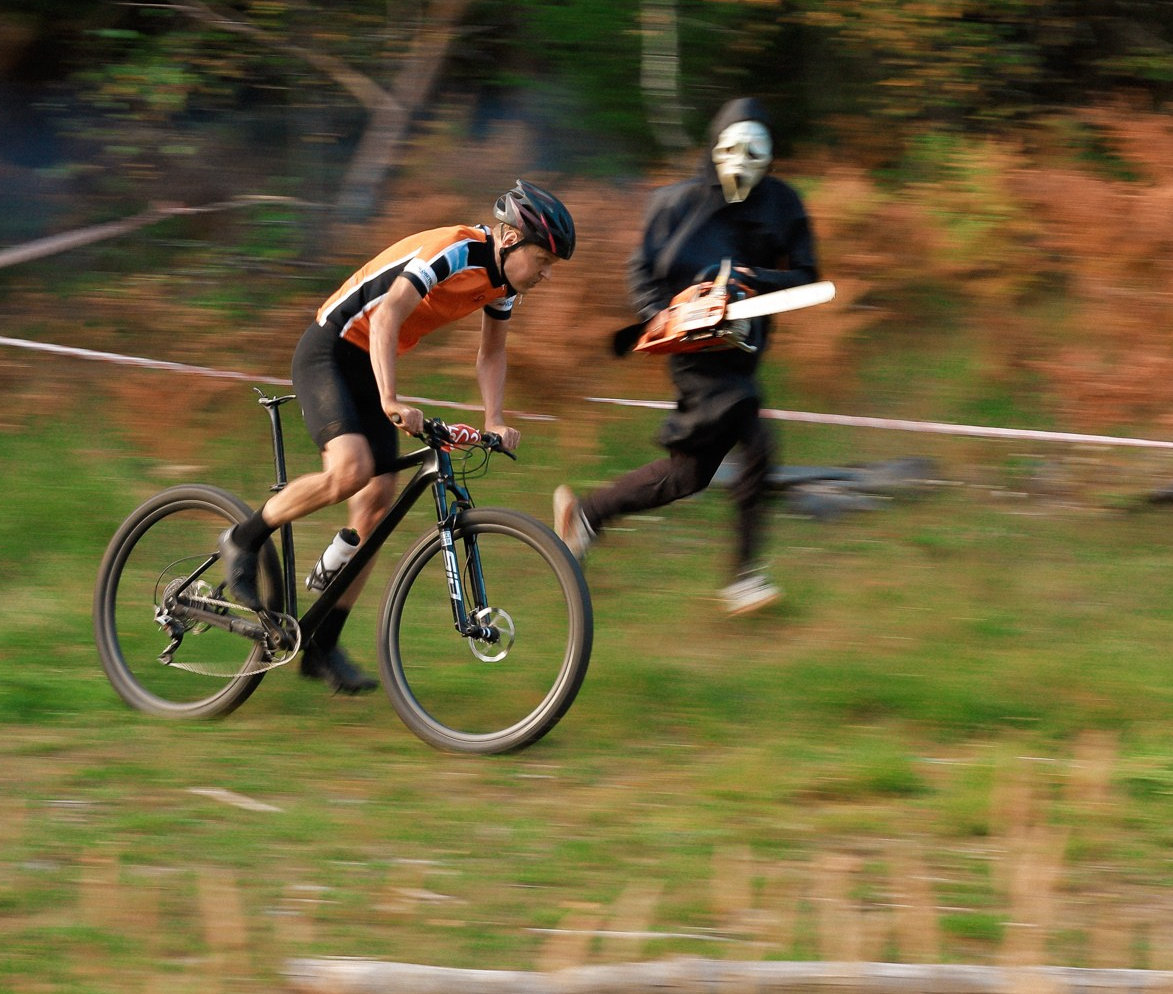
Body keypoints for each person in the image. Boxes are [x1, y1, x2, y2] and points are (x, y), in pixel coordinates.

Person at [219, 181, 577, 693]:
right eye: (542, 260)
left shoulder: (504, 287)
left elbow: (492, 353)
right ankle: (243, 538)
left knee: (377, 505)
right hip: (331, 349)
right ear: (508, 239)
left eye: (551, 266)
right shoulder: (456, 251)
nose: (545, 274)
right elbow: (388, 313)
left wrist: (494, 419)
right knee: (351, 470)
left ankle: (321, 645)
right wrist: (390, 399)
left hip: (367, 365)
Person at [554, 99, 816, 615]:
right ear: (714, 147)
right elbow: (642, 272)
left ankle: (586, 514)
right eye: (733, 147)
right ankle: (743, 579)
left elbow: (807, 279)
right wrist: (665, 317)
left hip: (745, 348)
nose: (743, 160)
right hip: (694, 351)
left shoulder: (784, 205)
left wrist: (753, 278)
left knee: (688, 475)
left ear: (770, 156)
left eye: (755, 150)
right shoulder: (676, 204)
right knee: (758, 441)